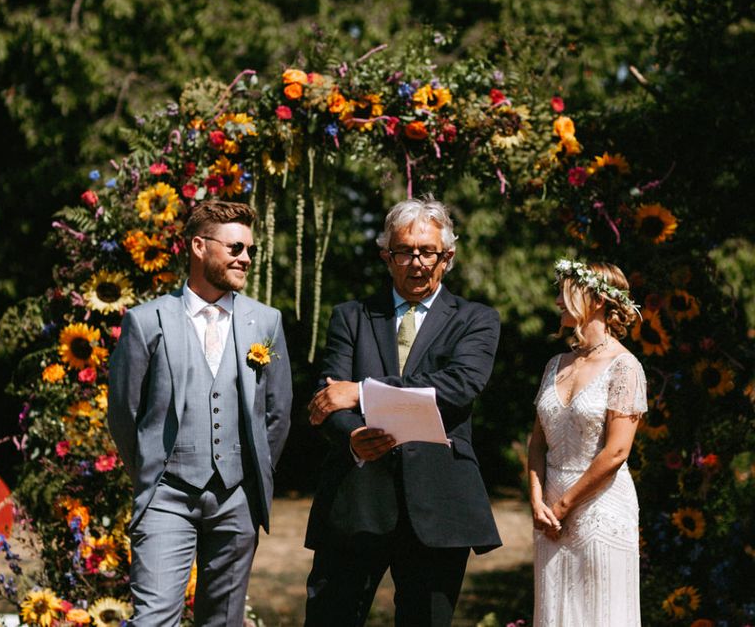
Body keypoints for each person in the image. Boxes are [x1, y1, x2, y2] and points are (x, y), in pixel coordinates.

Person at [304, 195, 502, 627]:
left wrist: (361, 392)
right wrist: (352, 436)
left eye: (427, 251)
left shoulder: (476, 319)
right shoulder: (350, 316)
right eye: (403, 251)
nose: (416, 262)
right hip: (355, 499)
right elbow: (327, 396)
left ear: (446, 257)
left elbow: (457, 387)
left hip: (439, 504)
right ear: (386, 256)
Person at [108, 200, 292, 626]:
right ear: (198, 246)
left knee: (224, 621)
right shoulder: (146, 321)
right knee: (154, 617)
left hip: (237, 498)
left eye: (249, 250)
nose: (245, 258)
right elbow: (123, 411)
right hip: (166, 495)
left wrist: (251, 474)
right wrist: (151, 471)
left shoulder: (265, 321)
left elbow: (277, 413)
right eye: (234, 248)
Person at [528, 259, 646, 626]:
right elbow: (536, 443)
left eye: (566, 292)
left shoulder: (625, 367)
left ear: (596, 299)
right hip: (550, 511)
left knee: (600, 611)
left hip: (600, 508)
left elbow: (616, 452)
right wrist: (536, 500)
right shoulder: (555, 364)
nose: (558, 301)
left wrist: (562, 506)